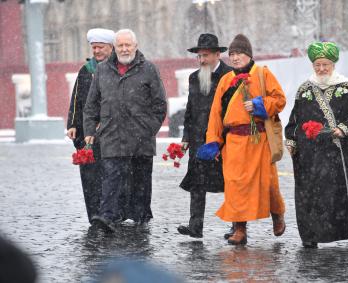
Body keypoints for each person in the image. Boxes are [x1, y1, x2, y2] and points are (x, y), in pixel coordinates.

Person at [197, 34, 287, 245]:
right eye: (232, 54)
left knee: (268, 183)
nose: (235, 58)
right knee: (235, 185)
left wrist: (260, 105)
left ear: (249, 55)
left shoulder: (263, 74)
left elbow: (280, 99)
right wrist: (213, 141)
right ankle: (239, 229)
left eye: (239, 53)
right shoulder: (226, 80)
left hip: (259, 140)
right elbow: (216, 114)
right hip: (235, 142)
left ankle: (277, 214)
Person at [284, 41, 348, 248]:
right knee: (313, 194)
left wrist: (343, 129)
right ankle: (311, 234)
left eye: (326, 65)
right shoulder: (305, 90)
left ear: (333, 64)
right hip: (313, 155)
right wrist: (292, 139)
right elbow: (294, 120)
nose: (321, 69)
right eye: (318, 65)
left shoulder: (347, 87)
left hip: (343, 152)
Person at [83, 29, 167, 232]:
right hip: (112, 136)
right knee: (111, 178)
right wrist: (89, 131)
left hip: (141, 138)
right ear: (115, 47)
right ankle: (107, 217)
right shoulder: (103, 70)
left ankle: (140, 217)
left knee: (141, 181)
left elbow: (160, 105)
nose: (124, 49)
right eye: (120, 45)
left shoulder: (148, 69)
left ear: (135, 46)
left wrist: (149, 129)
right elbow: (91, 105)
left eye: (128, 45)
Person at [177, 33, 232, 239]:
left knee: (230, 182)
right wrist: (186, 138)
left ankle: (237, 226)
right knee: (197, 183)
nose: (202, 60)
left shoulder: (230, 75)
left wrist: (222, 138)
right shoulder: (194, 77)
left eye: (206, 55)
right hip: (199, 139)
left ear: (218, 54)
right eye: (199, 56)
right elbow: (190, 109)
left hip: (223, 139)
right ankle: (195, 226)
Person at [66, 28, 114, 224]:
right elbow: (77, 99)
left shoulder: (117, 68)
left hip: (111, 132)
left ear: (111, 48)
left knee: (111, 175)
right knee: (90, 177)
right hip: (87, 132)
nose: (96, 51)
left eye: (100, 47)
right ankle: (94, 215)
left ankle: (109, 214)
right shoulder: (86, 70)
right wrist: (72, 123)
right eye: (94, 47)